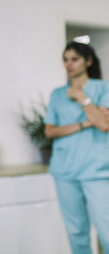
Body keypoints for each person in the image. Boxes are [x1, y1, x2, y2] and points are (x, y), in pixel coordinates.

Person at [44, 41, 109, 254]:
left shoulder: (103, 88)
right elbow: (50, 131)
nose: (68, 64)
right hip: (64, 171)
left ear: (88, 61)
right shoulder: (57, 94)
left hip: (97, 171)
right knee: (76, 232)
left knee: (107, 231)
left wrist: (82, 97)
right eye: (65, 59)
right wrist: (85, 122)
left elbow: (103, 124)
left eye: (74, 59)